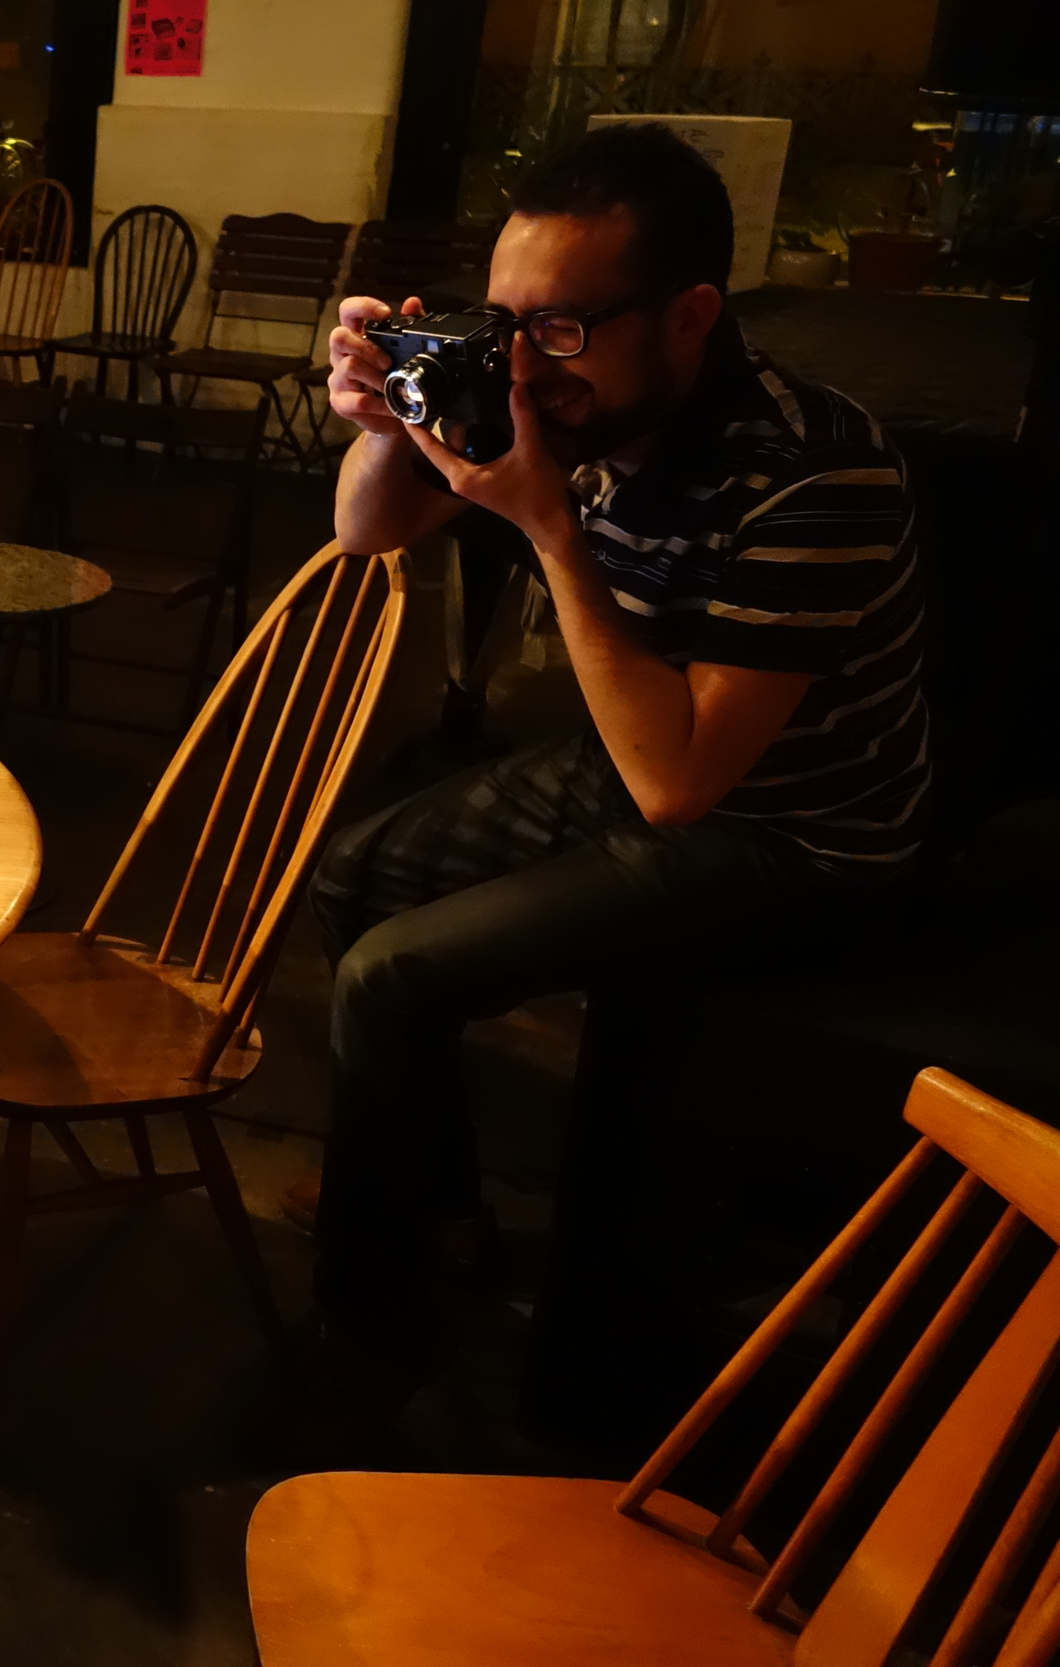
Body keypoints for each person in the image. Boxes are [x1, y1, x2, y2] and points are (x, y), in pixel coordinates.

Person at [302, 124, 930, 1381]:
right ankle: (448, 1212)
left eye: (564, 327)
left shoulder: (813, 473)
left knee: (387, 975)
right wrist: (385, 417)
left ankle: (359, 1331)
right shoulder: (569, 401)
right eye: (505, 322)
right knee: (348, 877)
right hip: (649, 762)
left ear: (691, 314)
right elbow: (368, 533)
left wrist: (544, 523)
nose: (526, 368)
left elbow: (679, 784)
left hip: (796, 838)